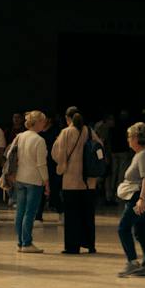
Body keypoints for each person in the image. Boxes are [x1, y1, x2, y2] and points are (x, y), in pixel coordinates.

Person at [51, 105, 102, 254]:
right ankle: (90, 244)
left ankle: (72, 247)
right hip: (89, 182)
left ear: (67, 118)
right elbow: (100, 147)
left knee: (72, 216)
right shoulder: (90, 131)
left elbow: (56, 154)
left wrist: (62, 165)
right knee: (88, 215)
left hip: (71, 182)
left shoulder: (66, 132)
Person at [117, 121, 145, 277]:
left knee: (123, 227)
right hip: (140, 195)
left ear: (135, 138)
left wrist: (141, 199)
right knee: (141, 230)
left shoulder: (143, 156)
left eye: (129, 137)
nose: (128, 140)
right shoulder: (141, 155)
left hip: (138, 196)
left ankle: (132, 261)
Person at [9, 110, 49, 252]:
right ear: (37, 122)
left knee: (20, 211)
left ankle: (20, 242)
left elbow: (9, 154)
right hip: (34, 179)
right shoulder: (39, 140)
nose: (44, 124)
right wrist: (46, 181)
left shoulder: (20, 136)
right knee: (30, 212)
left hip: (20, 177)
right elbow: (41, 164)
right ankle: (27, 243)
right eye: (43, 121)